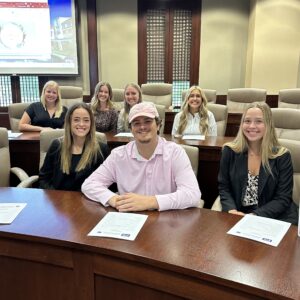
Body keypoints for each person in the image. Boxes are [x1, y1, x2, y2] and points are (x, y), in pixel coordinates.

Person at [82, 102, 201, 211]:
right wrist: (114, 199)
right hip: (130, 220)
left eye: (148, 121)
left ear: (159, 125)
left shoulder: (175, 153)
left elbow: (193, 195)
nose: (142, 127)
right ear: (131, 129)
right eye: (136, 123)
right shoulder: (118, 155)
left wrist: (150, 202)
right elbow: (89, 184)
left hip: (167, 222)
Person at [218, 102, 298, 225]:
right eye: (247, 121)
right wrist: (231, 211)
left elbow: (283, 198)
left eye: (258, 121)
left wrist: (255, 216)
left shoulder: (282, 156)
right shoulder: (229, 151)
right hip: (239, 215)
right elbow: (224, 187)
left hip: (276, 217)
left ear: (268, 125)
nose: (252, 126)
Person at [39, 102, 109, 191]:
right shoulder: (56, 146)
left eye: (86, 120)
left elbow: (107, 183)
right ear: (69, 122)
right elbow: (44, 179)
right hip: (58, 201)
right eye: (76, 120)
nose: (81, 124)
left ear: (91, 123)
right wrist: (55, 199)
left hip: (88, 201)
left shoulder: (101, 150)